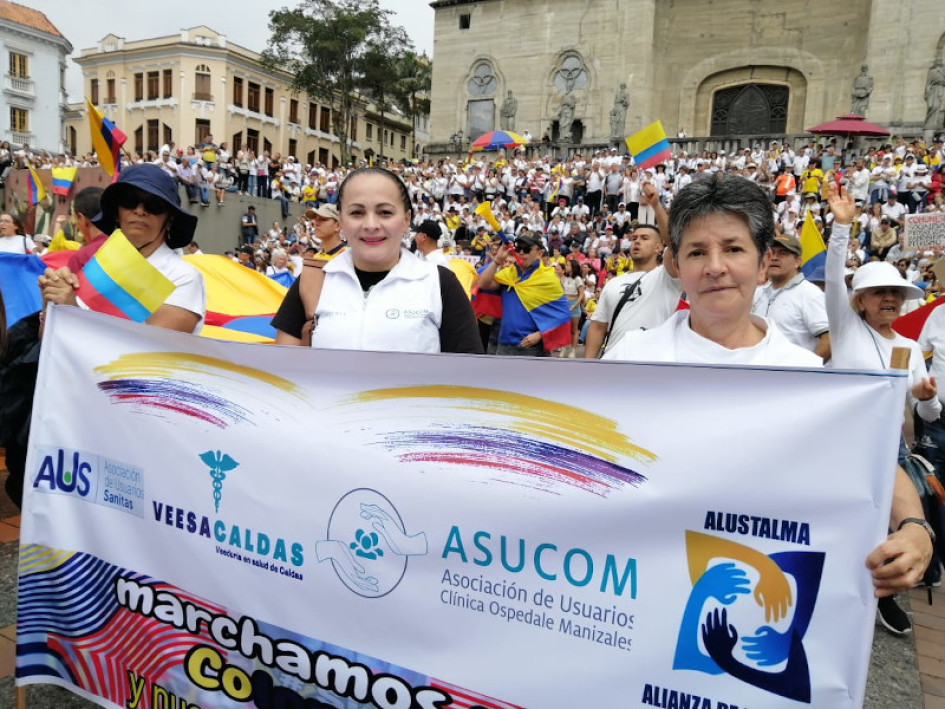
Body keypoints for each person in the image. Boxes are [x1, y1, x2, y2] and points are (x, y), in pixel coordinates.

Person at [604, 173, 932, 604]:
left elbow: (870, 459)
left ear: (762, 265)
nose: (715, 266)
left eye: (734, 249)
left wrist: (915, 528)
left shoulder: (805, 374)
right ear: (678, 268)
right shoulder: (632, 358)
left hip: (758, 597)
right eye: (697, 252)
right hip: (642, 589)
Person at [824, 184, 939, 634]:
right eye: (879, 293)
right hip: (838, 443)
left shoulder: (911, 349)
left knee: (886, 527)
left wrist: (928, 400)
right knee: (841, 519)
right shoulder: (847, 329)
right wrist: (841, 227)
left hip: (887, 450)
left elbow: (925, 416)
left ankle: (883, 598)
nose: (888, 299)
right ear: (861, 300)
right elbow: (834, 276)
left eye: (895, 293)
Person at [271, 167, 482, 354]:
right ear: (341, 220)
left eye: (385, 212)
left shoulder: (439, 283)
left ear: (406, 219)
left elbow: (469, 381)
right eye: (357, 212)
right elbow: (283, 374)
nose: (371, 224)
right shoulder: (313, 280)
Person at [38, 163, 206, 335]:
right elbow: (49, 342)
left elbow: (151, 352)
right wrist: (51, 305)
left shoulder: (183, 277)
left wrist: (72, 310)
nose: (140, 211)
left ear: (169, 220)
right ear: (116, 213)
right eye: (130, 201)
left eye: (154, 205)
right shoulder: (96, 265)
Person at [585, 186, 681, 358]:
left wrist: (656, 205)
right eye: (634, 238)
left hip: (655, 366)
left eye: (645, 238)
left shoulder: (667, 277)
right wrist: (588, 367)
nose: (637, 242)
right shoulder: (613, 283)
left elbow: (675, 245)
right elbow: (598, 326)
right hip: (613, 364)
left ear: (659, 247)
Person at [477, 232, 571, 356]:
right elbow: (482, 283)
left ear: (539, 253)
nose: (521, 252)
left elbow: (562, 314)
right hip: (504, 344)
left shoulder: (548, 278)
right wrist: (497, 260)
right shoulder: (508, 274)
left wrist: (540, 335)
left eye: (526, 249)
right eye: (518, 248)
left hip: (533, 347)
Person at [750, 233, 831, 361]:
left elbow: (829, 340)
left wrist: (804, 371)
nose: (774, 258)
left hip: (791, 377)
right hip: (758, 374)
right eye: (772, 253)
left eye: (783, 253)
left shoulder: (810, 293)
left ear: (797, 262)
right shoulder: (757, 293)